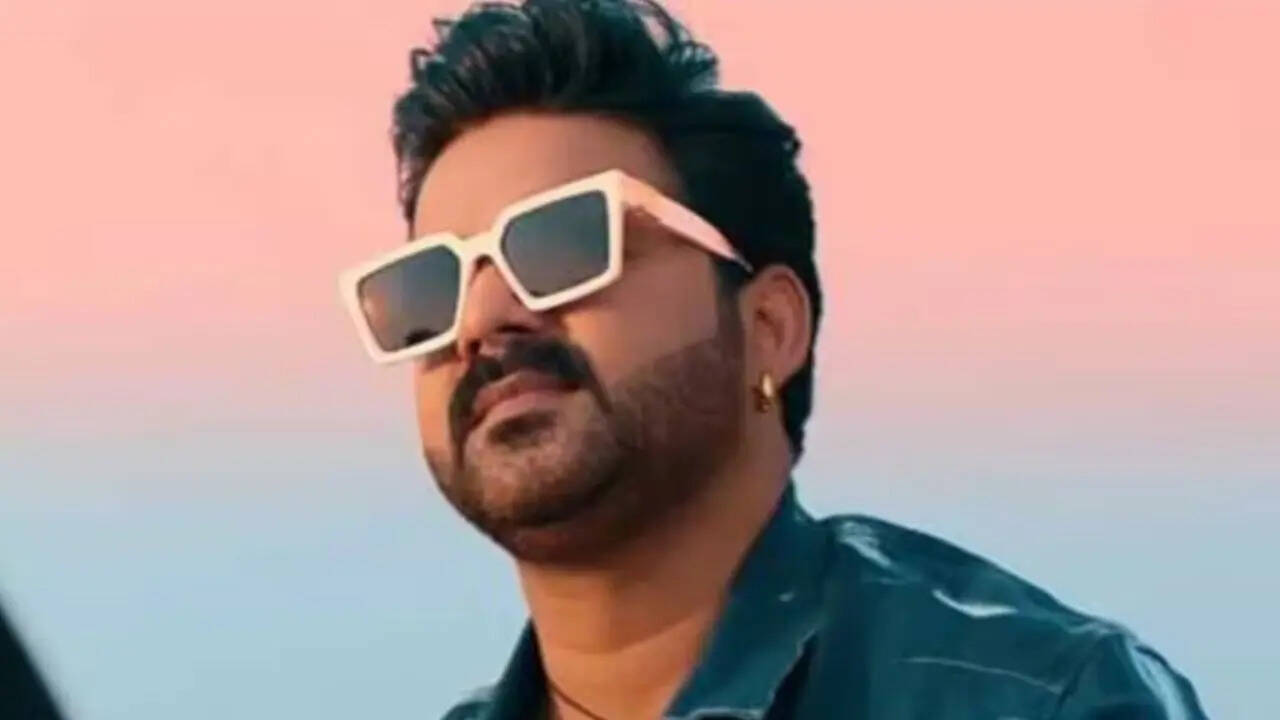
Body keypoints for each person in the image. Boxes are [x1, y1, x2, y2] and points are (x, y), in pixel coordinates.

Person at [338, 1, 1209, 717]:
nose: (482, 321)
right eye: (427, 288)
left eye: (564, 243)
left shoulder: (1035, 699)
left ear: (769, 326)